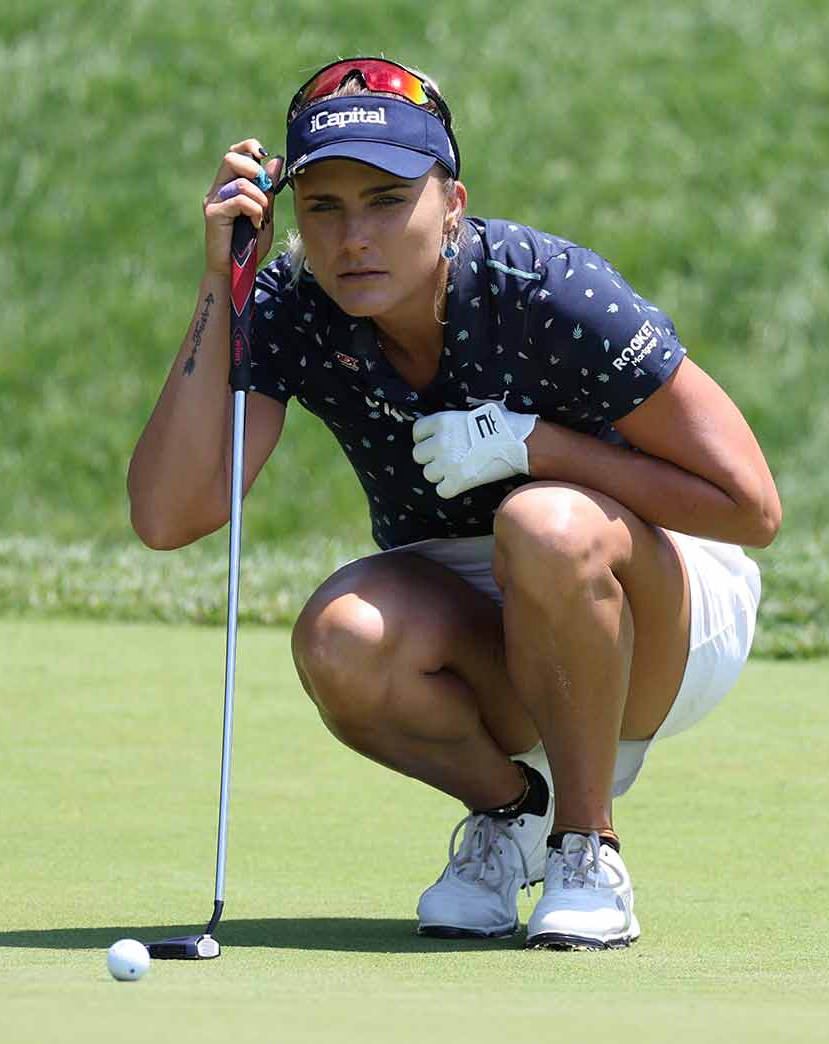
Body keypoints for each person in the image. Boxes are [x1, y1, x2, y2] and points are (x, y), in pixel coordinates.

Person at [127, 57, 780, 951]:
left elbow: (750, 509)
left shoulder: (548, 291)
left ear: (452, 201)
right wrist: (220, 286)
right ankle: (511, 812)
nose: (354, 237)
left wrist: (535, 447)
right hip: (480, 614)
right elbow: (170, 517)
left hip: (655, 599)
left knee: (542, 522)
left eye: (388, 200)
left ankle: (588, 847)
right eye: (324, 207)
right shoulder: (290, 306)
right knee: (339, 638)